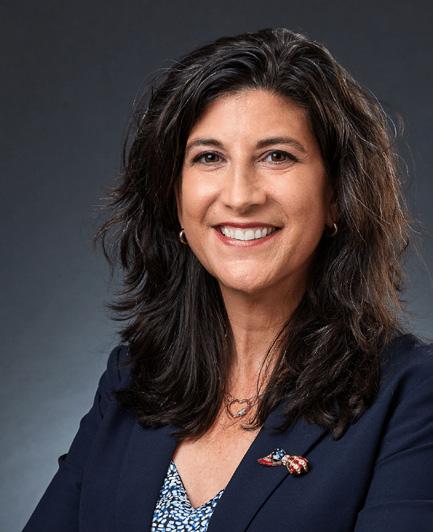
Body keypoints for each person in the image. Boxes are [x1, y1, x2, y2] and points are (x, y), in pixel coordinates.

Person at [23, 27, 433, 532]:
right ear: (174, 196)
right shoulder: (131, 379)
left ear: (336, 196)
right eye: (209, 157)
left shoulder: (413, 394)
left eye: (277, 156)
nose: (240, 197)